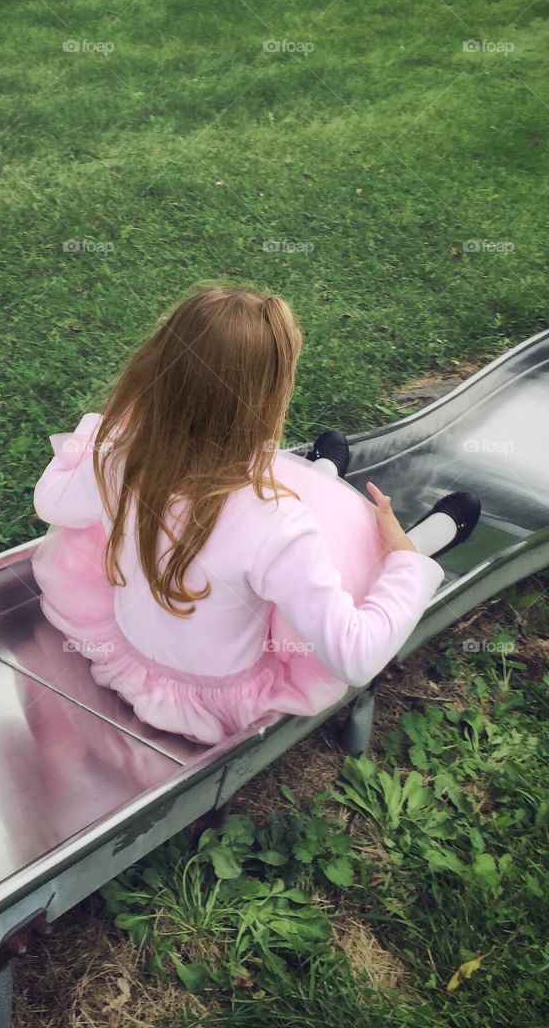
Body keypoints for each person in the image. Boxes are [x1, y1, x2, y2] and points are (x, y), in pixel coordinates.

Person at [31, 284, 481, 747]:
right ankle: (415, 544)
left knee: (276, 494)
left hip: (126, 662)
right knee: (348, 545)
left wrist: (94, 448)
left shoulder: (116, 463)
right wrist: (403, 563)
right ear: (268, 402)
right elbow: (356, 656)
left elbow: (50, 502)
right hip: (216, 703)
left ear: (157, 369)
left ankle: (322, 470)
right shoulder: (277, 523)